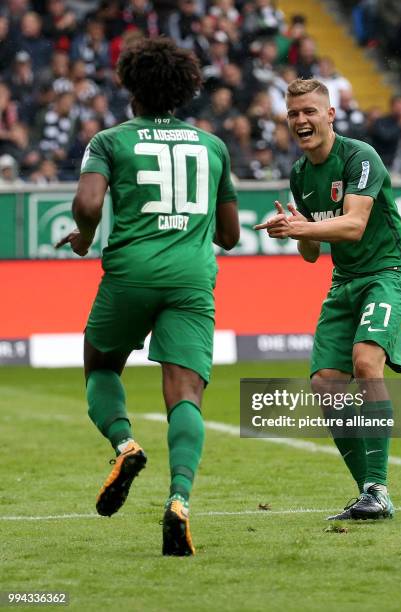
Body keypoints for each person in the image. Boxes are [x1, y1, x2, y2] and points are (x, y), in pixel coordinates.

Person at [55, 37, 239, 555]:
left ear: (130, 85)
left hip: (131, 273)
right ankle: (179, 499)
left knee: (102, 368)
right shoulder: (213, 146)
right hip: (192, 279)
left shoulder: (109, 141)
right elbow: (230, 236)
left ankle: (125, 443)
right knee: (185, 394)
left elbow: (89, 203)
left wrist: (85, 238)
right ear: (185, 90)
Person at [255, 78, 401, 520]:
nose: (301, 120)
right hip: (344, 281)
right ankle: (369, 492)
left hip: (388, 274)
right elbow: (311, 255)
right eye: (293, 114)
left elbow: (354, 225)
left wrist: (301, 228)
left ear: (329, 115)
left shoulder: (360, 157)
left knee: (366, 361)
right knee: (326, 383)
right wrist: (294, 229)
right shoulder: (300, 175)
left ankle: (379, 487)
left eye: (309, 111)